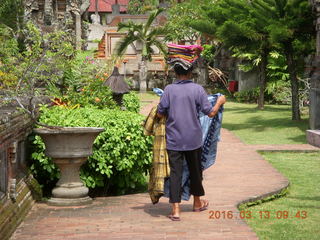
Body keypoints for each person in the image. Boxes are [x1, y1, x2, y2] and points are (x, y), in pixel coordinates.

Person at [157, 64, 226, 221]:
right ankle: (196, 203)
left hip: (174, 139)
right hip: (193, 139)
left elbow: (160, 113)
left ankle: (175, 210)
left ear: (175, 72)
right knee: (196, 172)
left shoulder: (168, 90)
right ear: (190, 73)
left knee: (175, 173)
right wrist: (220, 101)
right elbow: (211, 113)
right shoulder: (197, 89)